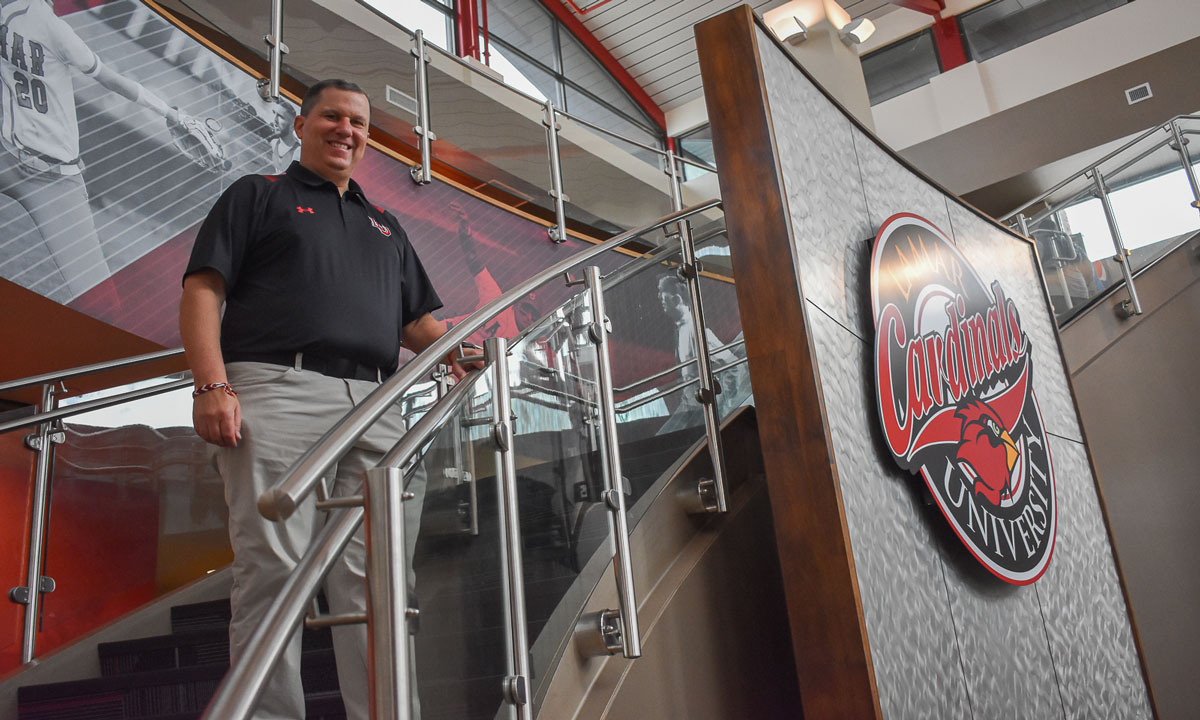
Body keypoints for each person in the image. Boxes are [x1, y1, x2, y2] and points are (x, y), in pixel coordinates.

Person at [179, 78, 469, 720]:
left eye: (359, 122)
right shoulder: (259, 195)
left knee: (382, 580)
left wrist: (465, 351)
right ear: (300, 124)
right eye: (332, 116)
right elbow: (203, 291)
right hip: (277, 391)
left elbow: (416, 325)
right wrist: (211, 385)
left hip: (375, 402)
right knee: (274, 572)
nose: (347, 129)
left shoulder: (384, 225)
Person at [0, 0, 184, 301]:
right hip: (39, 169)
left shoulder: (11, 14)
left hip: (44, 175)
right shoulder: (52, 27)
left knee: (101, 302)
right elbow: (113, 80)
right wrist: (169, 112)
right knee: (103, 306)